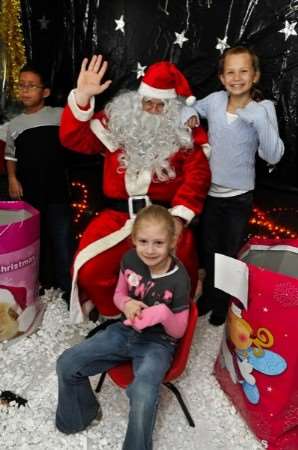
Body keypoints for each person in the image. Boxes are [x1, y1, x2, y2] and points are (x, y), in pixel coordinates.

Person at [60, 54, 211, 322]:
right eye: (147, 102)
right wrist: (82, 96)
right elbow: (73, 138)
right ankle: (113, 315)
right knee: (90, 268)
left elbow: (197, 178)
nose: (152, 109)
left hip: (163, 220)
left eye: (160, 105)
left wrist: (177, 218)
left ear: (172, 110)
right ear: (135, 101)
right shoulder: (119, 126)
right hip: (117, 219)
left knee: (176, 280)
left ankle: (162, 324)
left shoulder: (183, 140)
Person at [56, 205, 191, 450]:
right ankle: (79, 416)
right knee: (67, 363)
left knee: (142, 394)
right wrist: (127, 304)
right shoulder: (129, 259)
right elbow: (118, 294)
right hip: (125, 330)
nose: (149, 250)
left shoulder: (179, 277)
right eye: (143, 241)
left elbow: (179, 331)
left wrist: (161, 313)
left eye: (158, 243)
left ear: (172, 242)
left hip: (158, 344)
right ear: (133, 239)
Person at [181, 46, 284, 326]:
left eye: (243, 71)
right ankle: (210, 296)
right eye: (230, 72)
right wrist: (186, 117)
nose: (236, 77)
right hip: (211, 193)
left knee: (229, 251)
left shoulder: (263, 109)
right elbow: (188, 108)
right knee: (209, 249)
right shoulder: (215, 101)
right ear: (222, 77)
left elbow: (273, 155)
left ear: (255, 76)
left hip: (239, 196)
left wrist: (261, 121)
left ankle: (223, 303)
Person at [4, 63, 74, 301]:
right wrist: (12, 179)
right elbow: (10, 155)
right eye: (21, 85)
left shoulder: (59, 114)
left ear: (44, 92)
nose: (25, 91)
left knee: (62, 239)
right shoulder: (13, 125)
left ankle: (67, 287)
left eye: (31, 86)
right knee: (34, 241)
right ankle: (37, 284)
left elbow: (80, 133)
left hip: (57, 191)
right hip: (29, 193)